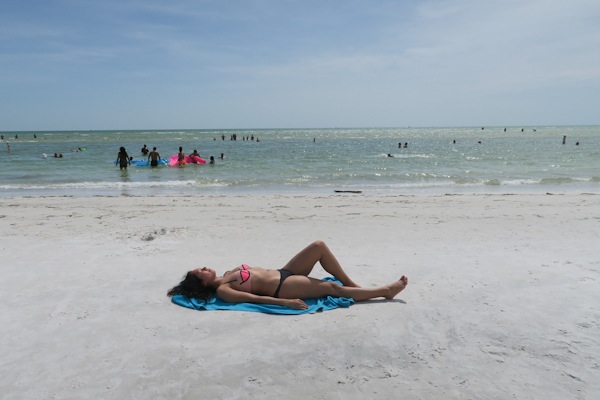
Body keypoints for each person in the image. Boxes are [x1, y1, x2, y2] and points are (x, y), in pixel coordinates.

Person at [167, 240, 408, 310]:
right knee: (330, 289)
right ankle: (385, 291)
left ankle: (354, 286)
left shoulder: (230, 272)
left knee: (319, 247)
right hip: (284, 287)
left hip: (285, 272)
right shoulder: (222, 290)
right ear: (203, 283)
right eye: (200, 272)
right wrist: (285, 302)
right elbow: (255, 300)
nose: (204, 267)